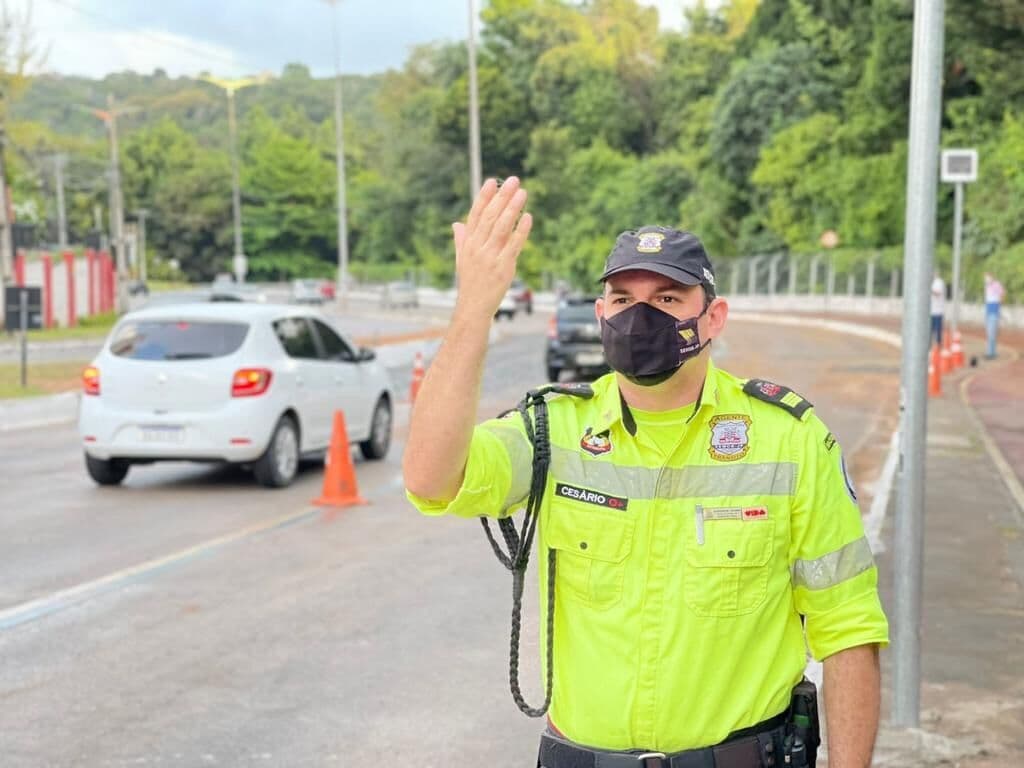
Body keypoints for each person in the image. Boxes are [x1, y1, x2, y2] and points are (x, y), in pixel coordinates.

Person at [403, 177, 889, 768]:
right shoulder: (553, 429)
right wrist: (474, 309)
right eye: (624, 298)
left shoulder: (789, 438)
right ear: (602, 312)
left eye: (666, 299)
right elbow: (431, 480)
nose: (641, 316)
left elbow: (848, 630)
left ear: (713, 318)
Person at [983, 272, 1006, 359]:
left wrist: (999, 306)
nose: (986, 279)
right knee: (990, 333)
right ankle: (992, 352)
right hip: (988, 311)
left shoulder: (996, 284)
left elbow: (1002, 294)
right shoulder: (987, 286)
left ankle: (990, 353)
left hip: (994, 312)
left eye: (987, 277)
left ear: (992, 277)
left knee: (991, 333)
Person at [930, 272, 946, 347]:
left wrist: (929, 290)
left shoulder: (939, 282)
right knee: (931, 329)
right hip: (932, 310)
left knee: (937, 329)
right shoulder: (933, 282)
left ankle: (939, 344)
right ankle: (931, 343)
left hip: (938, 310)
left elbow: (938, 293)